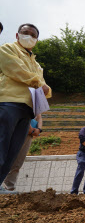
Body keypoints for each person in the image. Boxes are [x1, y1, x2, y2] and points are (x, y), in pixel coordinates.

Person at [0, 23, 51, 191]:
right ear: (17, 35)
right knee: (2, 146)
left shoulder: (36, 64)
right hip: (9, 102)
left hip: (27, 109)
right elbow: (16, 69)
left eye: (33, 35)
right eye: (25, 33)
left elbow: (44, 86)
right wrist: (37, 82)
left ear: (36, 40)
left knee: (12, 153)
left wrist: (44, 88)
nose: (29, 37)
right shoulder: (8, 49)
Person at [2, 114, 43, 192]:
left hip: (28, 133)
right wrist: (32, 129)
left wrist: (38, 129)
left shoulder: (35, 103)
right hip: (16, 130)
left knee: (17, 162)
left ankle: (9, 188)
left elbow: (39, 116)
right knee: (6, 159)